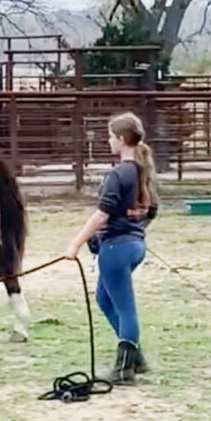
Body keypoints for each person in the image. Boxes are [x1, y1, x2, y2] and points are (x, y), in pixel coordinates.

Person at [64, 112, 158, 385]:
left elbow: (101, 215)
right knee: (105, 300)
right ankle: (134, 356)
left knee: (125, 307)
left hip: (116, 249)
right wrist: (135, 228)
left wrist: (75, 244)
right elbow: (151, 209)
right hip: (133, 245)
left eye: (110, 136)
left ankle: (125, 368)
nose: (108, 141)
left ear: (120, 139)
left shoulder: (120, 174)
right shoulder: (143, 171)